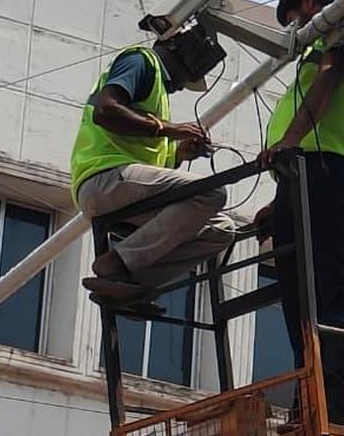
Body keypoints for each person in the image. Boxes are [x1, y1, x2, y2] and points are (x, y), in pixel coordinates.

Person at [255, 0, 344, 426]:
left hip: (331, 166)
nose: (297, 30)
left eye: (295, 18)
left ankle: (334, 403)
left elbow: (331, 77)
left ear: (310, 3)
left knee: (333, 287)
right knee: (298, 297)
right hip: (301, 172)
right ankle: (307, 402)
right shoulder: (323, 38)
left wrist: (289, 140)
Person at [72, 26, 235, 311]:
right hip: (105, 177)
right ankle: (117, 263)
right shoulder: (141, 61)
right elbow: (105, 110)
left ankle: (126, 286)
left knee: (221, 229)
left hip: (126, 187)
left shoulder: (158, 90)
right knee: (211, 192)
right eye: (187, 76)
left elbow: (146, 162)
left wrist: (179, 154)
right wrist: (169, 129)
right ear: (176, 50)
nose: (182, 86)